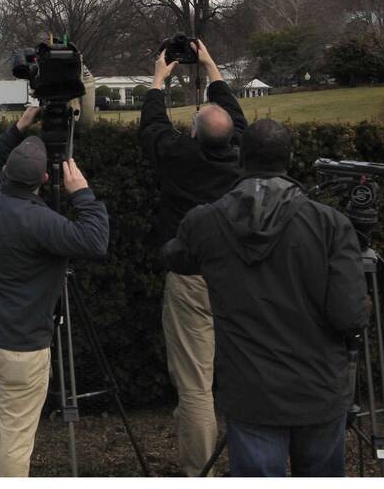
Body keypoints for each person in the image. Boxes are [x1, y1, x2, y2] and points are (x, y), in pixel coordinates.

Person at [163, 119, 369, 476]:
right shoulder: (330, 225)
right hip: (318, 388)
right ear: (289, 159)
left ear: (240, 158)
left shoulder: (207, 222)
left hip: (251, 392)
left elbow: (176, 256)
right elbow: (349, 315)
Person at [0, 107, 109, 477]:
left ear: (7, 174)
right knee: (14, 435)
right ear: (44, 178)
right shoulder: (42, 221)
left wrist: (18, 127)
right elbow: (96, 239)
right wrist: (82, 193)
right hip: (19, 349)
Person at [139, 38, 246, 477]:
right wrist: (211, 66)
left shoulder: (179, 156)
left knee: (196, 385)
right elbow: (235, 117)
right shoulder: (244, 155)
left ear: (195, 133)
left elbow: (152, 129)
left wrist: (158, 81)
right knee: (245, 376)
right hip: (243, 277)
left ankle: (198, 473)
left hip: (191, 279)